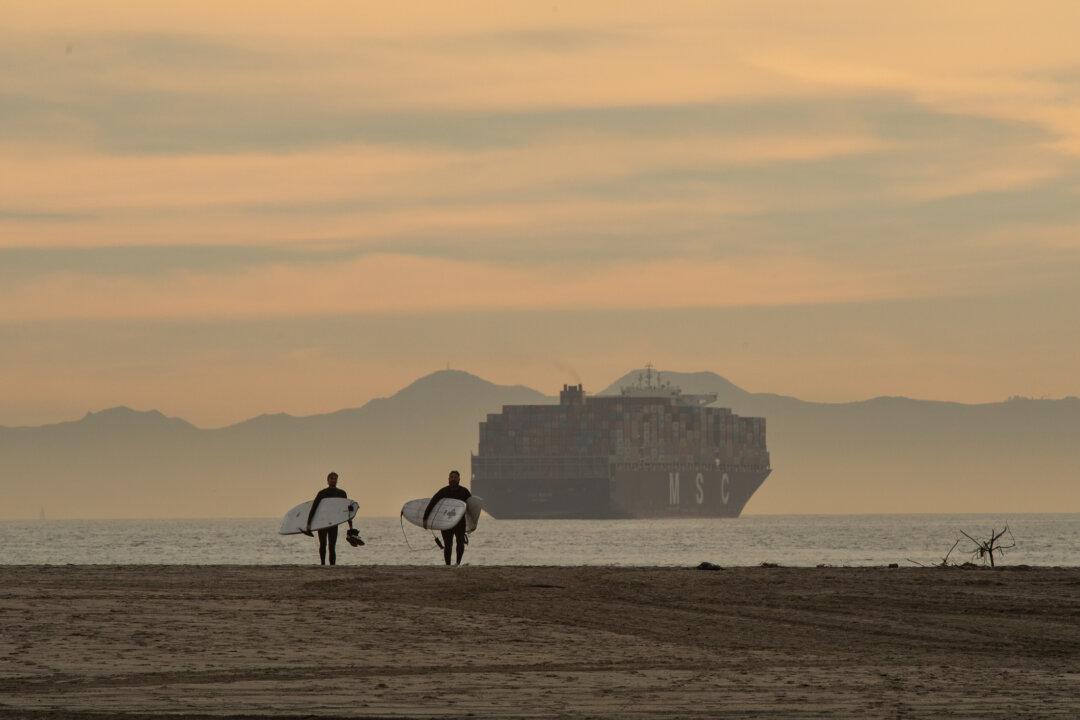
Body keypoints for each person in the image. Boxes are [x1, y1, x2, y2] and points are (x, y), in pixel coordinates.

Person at [304, 471, 361, 565]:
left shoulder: (342, 493)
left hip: (334, 523)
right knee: (323, 545)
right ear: (327, 480)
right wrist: (309, 524)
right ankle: (322, 564)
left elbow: (346, 511)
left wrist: (350, 526)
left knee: (332, 546)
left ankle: (332, 566)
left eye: (335, 479)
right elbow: (314, 508)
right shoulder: (322, 493)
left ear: (337, 480)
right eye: (331, 478)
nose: (333, 480)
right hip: (322, 522)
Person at [422, 470, 472, 566]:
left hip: (460, 522)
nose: (453, 479)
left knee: (460, 543)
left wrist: (472, 523)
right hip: (445, 522)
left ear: (459, 479)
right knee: (448, 545)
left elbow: (471, 507)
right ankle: (448, 565)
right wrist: (425, 518)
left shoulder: (464, 491)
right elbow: (433, 502)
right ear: (448, 479)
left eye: (455, 477)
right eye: (451, 477)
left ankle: (457, 563)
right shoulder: (443, 491)